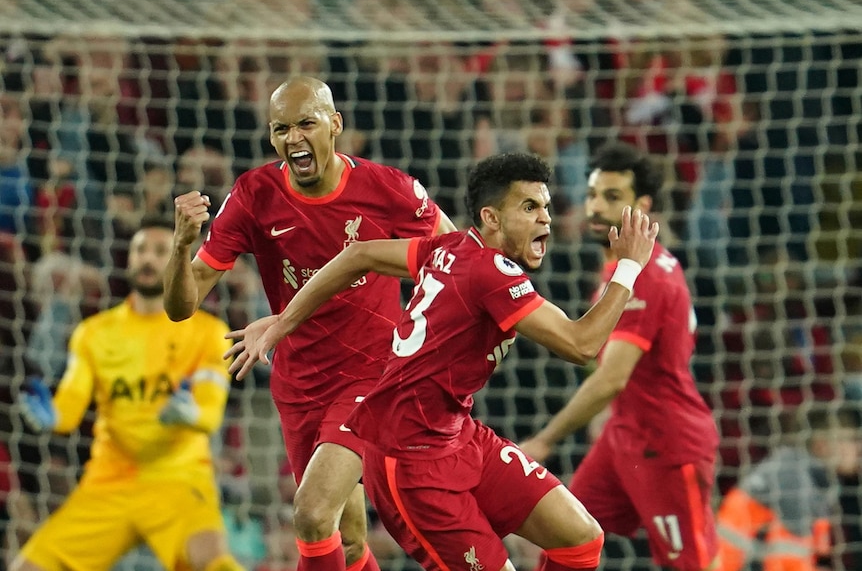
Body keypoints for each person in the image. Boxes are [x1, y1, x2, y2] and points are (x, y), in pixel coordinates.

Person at [226, 152, 660, 571]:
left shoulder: (447, 248)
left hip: (459, 436)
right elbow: (581, 345)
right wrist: (628, 268)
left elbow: (356, 254)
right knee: (323, 519)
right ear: (491, 218)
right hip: (411, 464)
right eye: (529, 207)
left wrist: (284, 321)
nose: (545, 217)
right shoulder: (490, 273)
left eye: (545, 206)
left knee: (581, 539)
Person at [164, 76, 456, 571]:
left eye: (306, 123)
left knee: (312, 515)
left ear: (335, 124)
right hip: (299, 384)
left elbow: (456, 259)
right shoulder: (254, 195)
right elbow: (181, 306)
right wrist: (180, 246)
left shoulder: (389, 189)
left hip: (373, 378)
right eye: (281, 129)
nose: (294, 138)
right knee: (348, 543)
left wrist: (427, 336)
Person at [518, 141, 721, 571]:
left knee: (690, 565)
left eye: (612, 198)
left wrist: (545, 440)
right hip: (623, 436)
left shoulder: (642, 278)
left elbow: (613, 377)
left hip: (666, 444)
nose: (596, 208)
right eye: (593, 195)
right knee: (565, 539)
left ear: (642, 206)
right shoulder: (626, 269)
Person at [11, 215, 242, 571]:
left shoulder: (208, 332)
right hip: (108, 482)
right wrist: (52, 417)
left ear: (180, 259)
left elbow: (210, 413)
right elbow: (71, 405)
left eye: (160, 250)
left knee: (215, 564)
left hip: (178, 479)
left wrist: (191, 414)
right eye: (140, 250)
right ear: (129, 258)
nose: (147, 258)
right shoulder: (95, 333)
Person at [716, 405, 861, 571]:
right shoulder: (793, 479)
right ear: (822, 445)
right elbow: (785, 563)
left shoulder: (805, 475)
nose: (858, 448)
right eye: (850, 439)